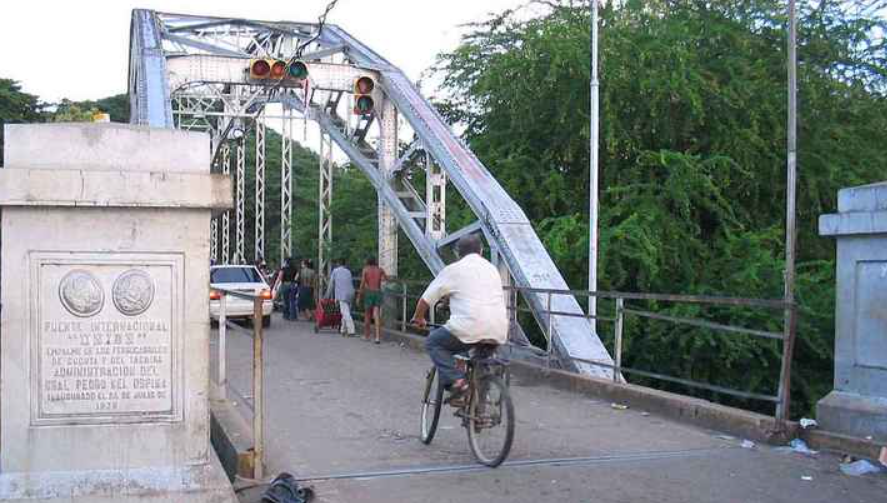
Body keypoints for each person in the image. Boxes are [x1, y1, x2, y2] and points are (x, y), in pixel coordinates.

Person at [410, 234, 508, 404]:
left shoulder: (454, 270)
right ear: (481, 251)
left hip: (469, 326)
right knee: (479, 353)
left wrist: (418, 318)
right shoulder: (492, 269)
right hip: (498, 328)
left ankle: (458, 383)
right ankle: (480, 406)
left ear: (457, 253)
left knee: (434, 342)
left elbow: (426, 299)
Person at [357, 256, 387, 344]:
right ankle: (377, 337)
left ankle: (367, 335)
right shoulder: (380, 269)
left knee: (367, 315)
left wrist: (359, 296)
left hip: (369, 292)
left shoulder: (365, 270)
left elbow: (362, 284)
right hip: (377, 292)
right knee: (376, 315)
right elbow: (385, 279)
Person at [325, 258, 356, 337]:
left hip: (342, 294)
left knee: (345, 313)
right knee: (346, 310)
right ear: (344, 264)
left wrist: (327, 296)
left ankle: (351, 330)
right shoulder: (348, 271)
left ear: (338, 264)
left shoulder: (335, 271)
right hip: (351, 293)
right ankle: (343, 329)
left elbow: (331, 284)